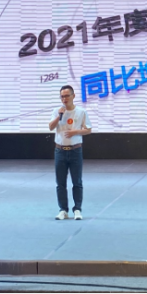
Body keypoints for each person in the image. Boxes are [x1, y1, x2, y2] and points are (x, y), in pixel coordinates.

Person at [49, 85, 92, 221]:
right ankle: (63, 210)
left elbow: (88, 129)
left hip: (75, 150)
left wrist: (75, 132)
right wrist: (59, 116)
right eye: (62, 96)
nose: (64, 99)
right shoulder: (57, 111)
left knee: (77, 182)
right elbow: (50, 127)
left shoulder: (81, 112)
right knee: (60, 183)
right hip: (60, 151)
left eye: (67, 96)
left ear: (73, 96)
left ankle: (77, 209)